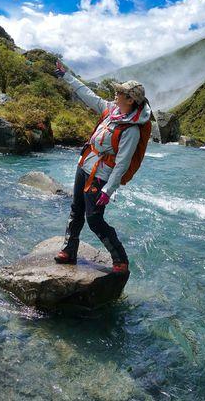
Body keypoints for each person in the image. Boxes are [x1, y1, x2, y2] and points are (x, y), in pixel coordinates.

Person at [54, 60, 152, 274]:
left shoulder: (131, 130)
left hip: (101, 175)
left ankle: (120, 260)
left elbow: (122, 164)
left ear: (130, 100)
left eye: (120, 93)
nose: (115, 95)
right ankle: (69, 251)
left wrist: (108, 190)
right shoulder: (111, 110)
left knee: (95, 219)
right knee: (75, 209)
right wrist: (66, 75)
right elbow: (89, 96)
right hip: (85, 165)